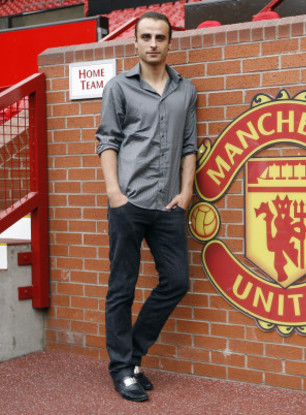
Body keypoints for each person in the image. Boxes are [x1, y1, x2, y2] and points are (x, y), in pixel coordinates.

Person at [95, 11, 197, 402]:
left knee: (177, 281)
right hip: (129, 202)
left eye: (160, 37)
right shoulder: (118, 88)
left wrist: (186, 192)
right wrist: (115, 194)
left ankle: (132, 355)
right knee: (121, 287)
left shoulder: (185, 91)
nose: (153, 44)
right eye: (146, 37)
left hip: (168, 204)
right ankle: (122, 370)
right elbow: (107, 141)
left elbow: (190, 145)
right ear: (134, 42)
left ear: (170, 43)